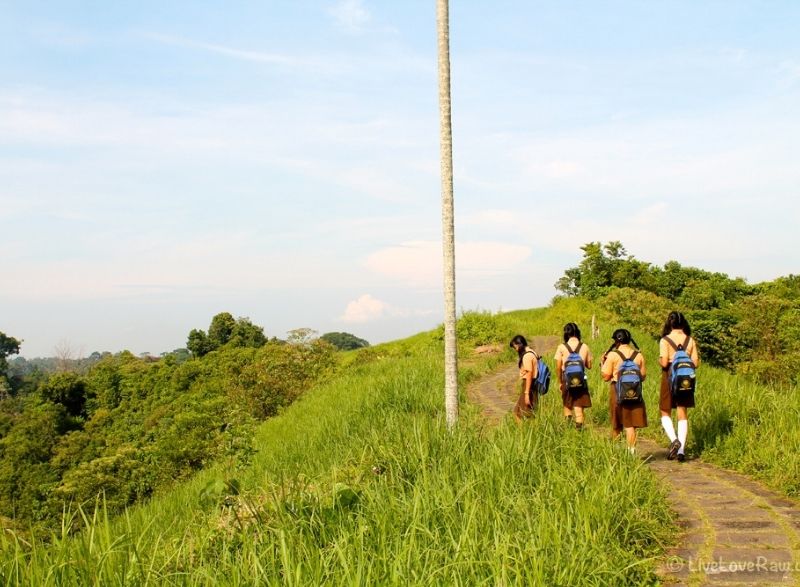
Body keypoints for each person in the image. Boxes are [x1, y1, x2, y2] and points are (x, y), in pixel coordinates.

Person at [659, 311, 700, 462]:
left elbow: (664, 363)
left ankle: (674, 440)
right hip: (686, 378)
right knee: (682, 411)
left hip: (669, 375)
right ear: (684, 323)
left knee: (665, 410)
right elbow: (695, 363)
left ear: (669, 323)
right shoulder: (690, 340)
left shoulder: (665, 340)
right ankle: (681, 450)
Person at [601, 329, 647, 454]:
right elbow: (642, 376)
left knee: (616, 423)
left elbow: (605, 376)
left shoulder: (613, 355)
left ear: (617, 341)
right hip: (634, 391)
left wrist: (602, 363)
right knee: (631, 425)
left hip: (617, 390)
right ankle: (631, 453)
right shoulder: (638, 355)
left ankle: (615, 452)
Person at [553, 322, 593, 430]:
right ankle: (579, 432)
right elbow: (589, 366)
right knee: (578, 408)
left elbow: (558, 366)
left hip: (567, 379)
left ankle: (568, 428)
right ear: (577, 332)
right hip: (580, 380)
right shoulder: (584, 346)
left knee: (567, 404)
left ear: (566, 333)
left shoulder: (562, 347)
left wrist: (560, 381)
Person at [509, 335, 538, 422]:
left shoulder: (527, 356)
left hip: (528, 384)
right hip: (533, 384)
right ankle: (529, 432)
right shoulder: (532, 352)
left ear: (519, 345)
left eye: (515, 347)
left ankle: (523, 433)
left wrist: (526, 393)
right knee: (529, 413)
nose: (516, 349)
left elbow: (529, 373)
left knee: (518, 413)